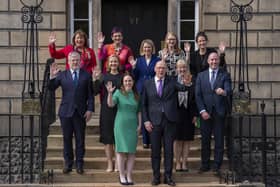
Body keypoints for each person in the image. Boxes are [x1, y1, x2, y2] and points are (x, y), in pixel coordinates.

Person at [142, 60, 192, 186]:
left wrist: (187, 83)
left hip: (169, 121)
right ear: (155, 69)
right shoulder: (147, 84)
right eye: (159, 68)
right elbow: (143, 105)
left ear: (166, 70)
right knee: (155, 151)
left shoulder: (172, 81)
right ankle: (156, 176)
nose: (161, 70)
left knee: (169, 150)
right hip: (154, 122)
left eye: (163, 68)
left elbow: (183, 88)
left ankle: (168, 176)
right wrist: (146, 120)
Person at [48, 51, 94, 175]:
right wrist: (52, 77)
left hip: (80, 113)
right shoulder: (62, 75)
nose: (75, 62)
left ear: (80, 61)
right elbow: (51, 88)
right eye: (72, 60)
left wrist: (90, 109)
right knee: (67, 139)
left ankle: (79, 164)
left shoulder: (86, 75)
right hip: (65, 112)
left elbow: (90, 95)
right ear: (68, 62)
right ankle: (68, 163)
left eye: (77, 60)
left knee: (80, 139)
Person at [195, 51, 231, 175]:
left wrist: (224, 92)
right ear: (208, 61)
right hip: (205, 114)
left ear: (219, 61)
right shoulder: (201, 76)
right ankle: (205, 164)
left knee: (219, 140)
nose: (214, 62)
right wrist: (202, 110)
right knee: (205, 141)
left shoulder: (224, 74)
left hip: (219, 112)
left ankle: (217, 165)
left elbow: (229, 89)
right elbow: (198, 95)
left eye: (216, 59)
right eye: (212, 60)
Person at [106, 72, 141, 185]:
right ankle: (121, 175)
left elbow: (139, 112)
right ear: (122, 82)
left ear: (133, 82)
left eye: (129, 80)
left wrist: (140, 125)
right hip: (121, 125)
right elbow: (110, 104)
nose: (128, 83)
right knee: (121, 151)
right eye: (125, 81)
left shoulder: (136, 95)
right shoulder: (118, 93)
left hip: (133, 125)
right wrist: (110, 93)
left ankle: (129, 175)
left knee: (131, 152)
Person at [93, 54, 122, 172]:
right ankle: (110, 163)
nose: (113, 64)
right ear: (108, 64)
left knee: (118, 138)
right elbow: (95, 92)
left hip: (120, 109)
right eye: (111, 62)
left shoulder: (122, 76)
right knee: (108, 138)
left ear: (118, 64)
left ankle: (118, 163)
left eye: (115, 62)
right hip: (106, 110)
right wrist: (95, 79)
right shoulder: (103, 77)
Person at [130, 39, 160, 149]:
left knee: (152, 112)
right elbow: (134, 76)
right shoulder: (138, 60)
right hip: (141, 88)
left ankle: (153, 140)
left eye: (149, 47)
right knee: (143, 113)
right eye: (145, 47)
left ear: (152, 49)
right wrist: (133, 67)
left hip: (153, 88)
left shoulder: (157, 59)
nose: (147, 49)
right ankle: (145, 141)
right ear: (142, 49)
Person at [174, 59, 197, 172]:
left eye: (184, 67)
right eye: (180, 67)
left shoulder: (192, 81)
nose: (182, 69)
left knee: (187, 140)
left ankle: (184, 163)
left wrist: (195, 115)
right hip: (176, 114)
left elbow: (195, 99)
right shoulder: (173, 81)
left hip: (189, 114)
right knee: (178, 140)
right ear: (176, 69)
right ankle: (177, 162)